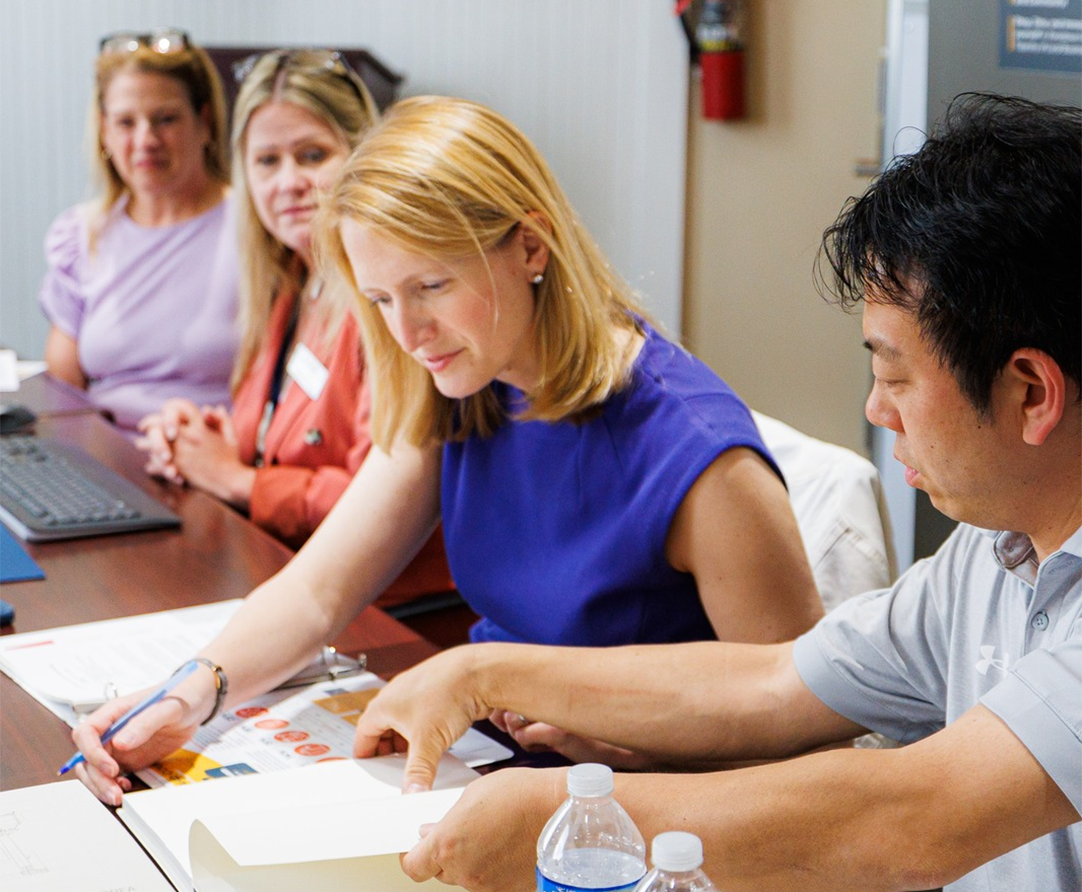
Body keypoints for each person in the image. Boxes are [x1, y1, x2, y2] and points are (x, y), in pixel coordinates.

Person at [327, 93, 1082, 892]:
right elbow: (774, 681)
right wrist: (485, 674)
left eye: (893, 373)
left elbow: (907, 820)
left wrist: (572, 818)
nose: (875, 407)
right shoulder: (991, 550)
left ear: (1031, 393)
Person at [71, 95, 820, 803]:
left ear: (531, 244)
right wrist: (193, 689)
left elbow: (807, 732)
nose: (407, 332)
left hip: (632, 805)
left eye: (431, 283)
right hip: (498, 770)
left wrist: (634, 748)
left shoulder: (697, 456)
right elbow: (317, 591)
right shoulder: (466, 381)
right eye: (381, 299)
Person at [135, 51, 450, 600]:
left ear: (363, 156)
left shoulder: (389, 302)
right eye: (267, 161)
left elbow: (379, 504)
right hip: (290, 576)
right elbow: (282, 440)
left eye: (312, 155)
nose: (289, 182)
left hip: (388, 607)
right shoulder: (293, 285)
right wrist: (206, 441)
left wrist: (237, 480)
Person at [38, 29, 238, 433]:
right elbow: (63, 390)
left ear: (205, 121)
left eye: (166, 119)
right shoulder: (82, 235)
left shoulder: (255, 227)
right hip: (104, 458)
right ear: (104, 131)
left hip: (212, 460)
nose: (146, 140)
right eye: (126, 122)